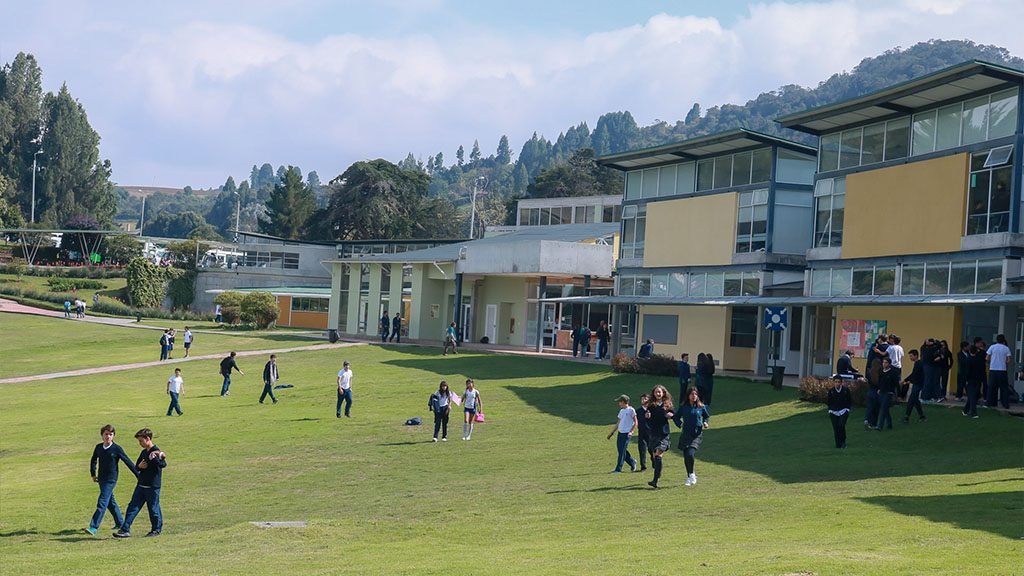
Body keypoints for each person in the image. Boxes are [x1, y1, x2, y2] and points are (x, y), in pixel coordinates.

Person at [85, 424, 138, 536]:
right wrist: (93, 474)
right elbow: (93, 460)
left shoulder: (117, 449)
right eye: (106, 434)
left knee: (102, 501)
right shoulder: (98, 447)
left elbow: (128, 462)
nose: (108, 436)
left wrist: (138, 475)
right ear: (102, 435)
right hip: (101, 479)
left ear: (113, 436)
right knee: (110, 502)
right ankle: (120, 523)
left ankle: (94, 527)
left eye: (110, 434)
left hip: (111, 479)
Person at [113, 428, 167, 538]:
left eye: (141, 441)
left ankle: (156, 530)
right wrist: (140, 467)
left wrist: (156, 458)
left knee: (153, 509)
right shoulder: (144, 452)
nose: (140, 444)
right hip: (141, 485)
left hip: (152, 486)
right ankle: (125, 529)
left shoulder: (155, 451)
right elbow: (137, 466)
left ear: (148, 439)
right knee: (132, 507)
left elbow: (162, 465)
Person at [673, 387, 710, 486]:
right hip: (686, 434)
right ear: (688, 396)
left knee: (690, 454)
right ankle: (690, 476)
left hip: (696, 435)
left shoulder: (701, 407)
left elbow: (706, 416)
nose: (694, 396)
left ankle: (692, 474)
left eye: (695, 394)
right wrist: (680, 424)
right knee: (686, 456)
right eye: (692, 394)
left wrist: (705, 423)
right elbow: (676, 417)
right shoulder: (684, 407)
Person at [643, 384, 673, 489]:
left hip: (664, 434)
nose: (658, 394)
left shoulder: (667, 404)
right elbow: (648, 418)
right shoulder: (651, 405)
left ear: (663, 393)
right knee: (653, 454)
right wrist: (647, 417)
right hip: (654, 433)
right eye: (656, 392)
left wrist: (670, 416)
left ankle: (655, 480)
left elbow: (673, 414)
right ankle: (657, 471)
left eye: (660, 392)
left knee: (658, 454)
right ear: (654, 394)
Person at [606, 394, 638, 473]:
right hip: (620, 433)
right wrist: (612, 432)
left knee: (622, 451)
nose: (619, 404)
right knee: (621, 450)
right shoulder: (621, 411)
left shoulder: (631, 410)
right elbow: (618, 423)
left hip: (627, 434)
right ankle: (632, 462)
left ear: (624, 402)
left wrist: (631, 431)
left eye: (620, 402)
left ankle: (618, 469)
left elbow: (635, 422)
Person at [986, 334, 1013, 409]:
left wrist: (991, 362)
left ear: (996, 340)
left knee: (991, 387)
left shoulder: (992, 347)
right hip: (1002, 370)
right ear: (1003, 340)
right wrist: (1004, 362)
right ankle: (1005, 404)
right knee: (1004, 388)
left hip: (993, 369)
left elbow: (987, 358)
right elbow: (1009, 360)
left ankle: (990, 402)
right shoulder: (1006, 348)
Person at [826, 376, 852, 448]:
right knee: (836, 428)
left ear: (841, 382)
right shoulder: (831, 391)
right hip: (833, 412)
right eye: (836, 382)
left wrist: (847, 409)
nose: (837, 384)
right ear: (833, 382)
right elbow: (829, 401)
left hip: (843, 411)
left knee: (841, 425)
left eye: (839, 382)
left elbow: (849, 400)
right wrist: (830, 410)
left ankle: (843, 442)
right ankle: (838, 444)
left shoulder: (845, 390)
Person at [901, 350, 926, 423]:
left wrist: (908, 381)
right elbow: (913, 374)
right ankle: (922, 416)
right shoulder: (917, 363)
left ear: (916, 356)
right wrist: (906, 380)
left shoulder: (919, 364)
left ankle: (906, 417)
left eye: (911, 356)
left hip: (917, 384)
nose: (910, 358)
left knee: (911, 400)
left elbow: (916, 375)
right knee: (915, 401)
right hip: (916, 384)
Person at [875, 357, 899, 431]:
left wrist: (897, 393)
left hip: (889, 392)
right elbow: (879, 381)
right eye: (883, 362)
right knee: (885, 408)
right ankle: (889, 423)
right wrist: (879, 389)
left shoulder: (893, 372)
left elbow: (896, 383)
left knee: (883, 408)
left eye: (885, 363)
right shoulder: (881, 371)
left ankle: (880, 426)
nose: (884, 364)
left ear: (889, 364)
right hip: (882, 391)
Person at [962, 343, 985, 418]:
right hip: (978, 380)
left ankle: (972, 412)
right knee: (973, 396)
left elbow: (966, 371)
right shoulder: (979, 360)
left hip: (970, 380)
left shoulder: (968, 360)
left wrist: (965, 380)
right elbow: (982, 370)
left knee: (972, 396)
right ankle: (966, 410)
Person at [863, 357, 881, 430]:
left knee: (869, 408)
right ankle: (874, 423)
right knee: (876, 409)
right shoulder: (880, 372)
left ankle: (867, 420)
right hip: (877, 392)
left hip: (870, 391)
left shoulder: (869, 372)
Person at [635, 393, 651, 472]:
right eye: (642, 399)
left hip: (651, 433)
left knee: (652, 449)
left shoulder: (652, 410)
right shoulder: (638, 411)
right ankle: (643, 467)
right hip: (641, 433)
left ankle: (655, 463)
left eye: (645, 399)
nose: (643, 400)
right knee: (642, 450)